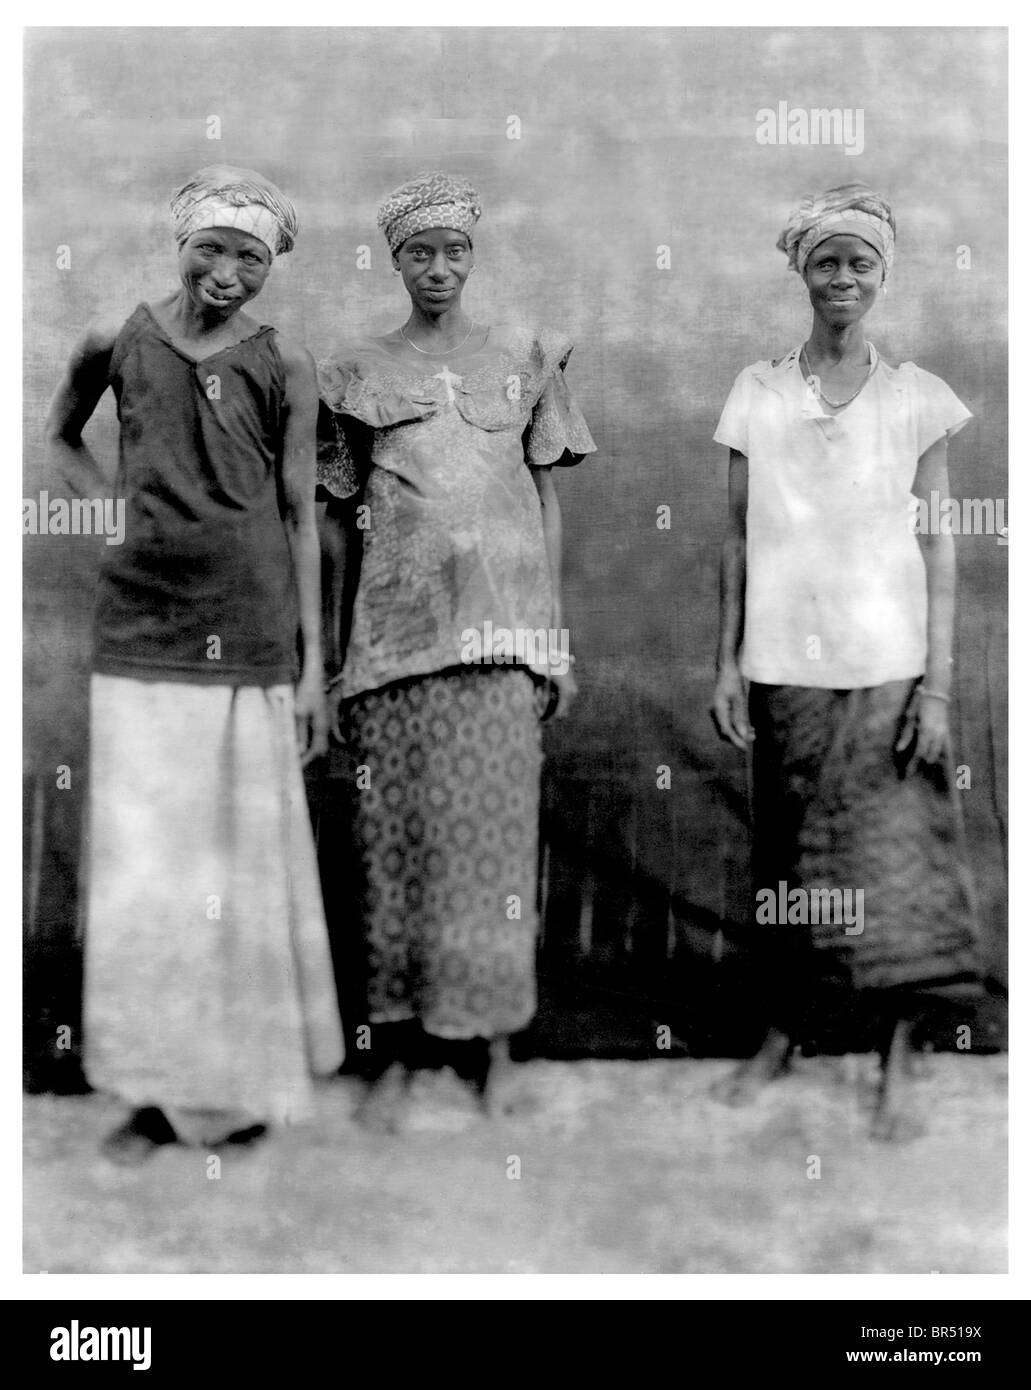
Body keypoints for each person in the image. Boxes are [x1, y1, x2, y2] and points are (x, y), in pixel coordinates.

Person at [45, 165, 344, 1162]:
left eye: (250, 257)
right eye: (211, 247)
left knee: (237, 864)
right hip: (141, 635)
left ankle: (238, 1086)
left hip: (250, 632)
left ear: (271, 267)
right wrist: (109, 518)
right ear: (180, 243)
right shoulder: (118, 339)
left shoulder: (285, 363)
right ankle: (149, 1091)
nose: (226, 271)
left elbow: (303, 518)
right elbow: (61, 436)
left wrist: (309, 668)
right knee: (151, 869)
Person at [317, 171, 596, 1129]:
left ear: (473, 258)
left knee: (491, 852)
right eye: (418, 252)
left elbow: (545, 498)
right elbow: (338, 524)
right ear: (394, 260)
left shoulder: (524, 355)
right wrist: (338, 653)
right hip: (393, 642)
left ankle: (492, 1050)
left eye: (454, 251)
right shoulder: (351, 371)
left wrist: (550, 638)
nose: (438, 268)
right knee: (391, 845)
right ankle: (393, 1048)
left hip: (501, 638)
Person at [710, 183, 982, 1141]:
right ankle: (787, 1033)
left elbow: (941, 545)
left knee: (893, 863)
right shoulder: (759, 391)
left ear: (882, 276)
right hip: (785, 665)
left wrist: (938, 684)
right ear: (801, 271)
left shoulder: (917, 400)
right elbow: (736, 541)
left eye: (859, 263)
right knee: (793, 861)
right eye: (825, 261)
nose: (841, 279)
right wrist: (725, 665)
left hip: (890, 669)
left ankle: (895, 1057)